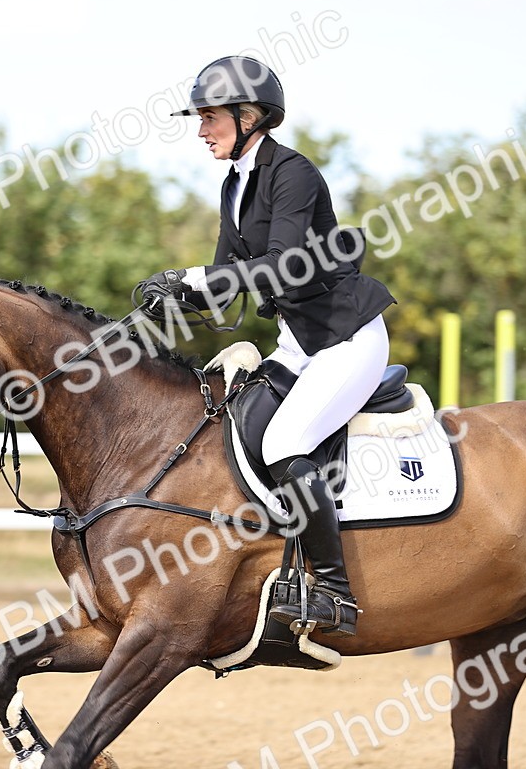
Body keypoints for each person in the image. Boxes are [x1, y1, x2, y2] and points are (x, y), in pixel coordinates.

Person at [139, 56, 396, 637]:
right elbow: (230, 276)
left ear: (248, 116)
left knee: (284, 441)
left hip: (346, 338)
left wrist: (198, 279)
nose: (201, 130)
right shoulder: (234, 185)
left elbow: (282, 264)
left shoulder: (292, 174)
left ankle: (333, 591)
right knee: (236, 423)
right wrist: (173, 298)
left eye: (209, 118)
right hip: (300, 343)